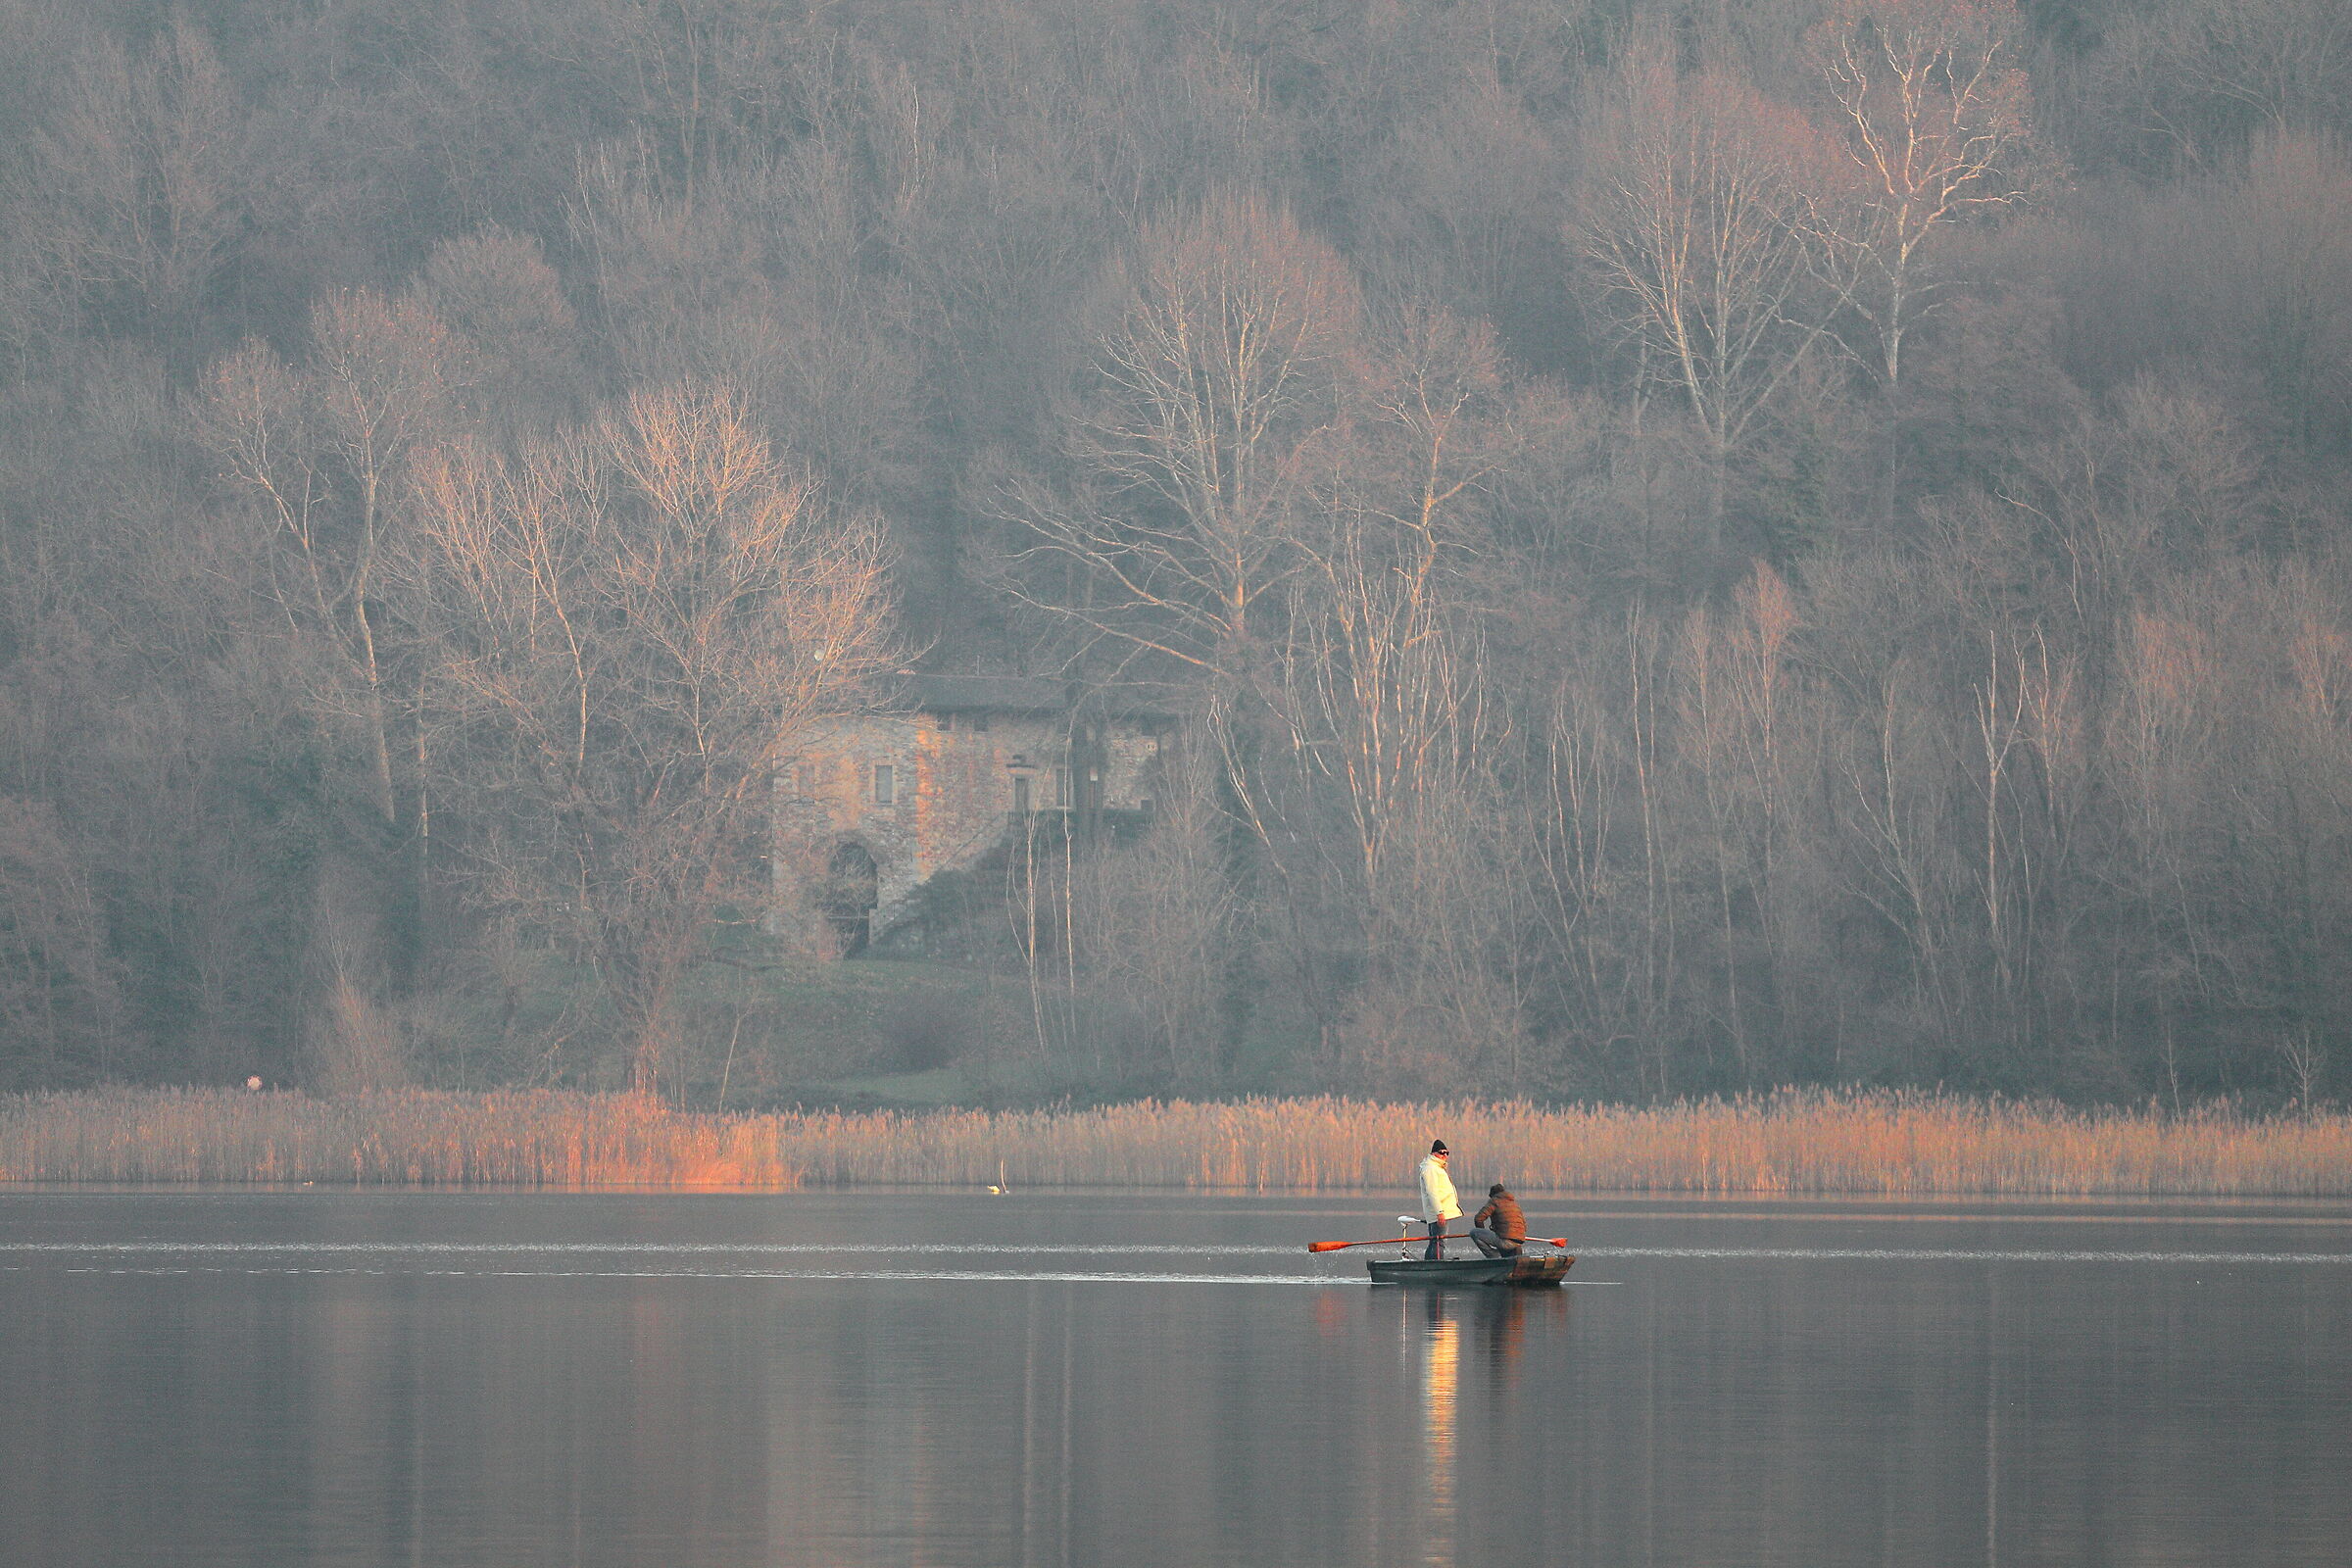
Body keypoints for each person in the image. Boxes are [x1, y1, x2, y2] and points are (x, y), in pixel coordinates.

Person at [1416, 1140, 1461, 1259]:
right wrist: (1439, 1212)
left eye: (1447, 1153)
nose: (1445, 1155)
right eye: (1442, 1152)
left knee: (1434, 1241)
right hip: (1439, 1212)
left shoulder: (1435, 1167)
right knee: (1439, 1241)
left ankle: (1429, 1264)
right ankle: (1436, 1265)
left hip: (1439, 1211)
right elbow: (1432, 1192)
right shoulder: (1431, 1168)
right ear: (1433, 1153)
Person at [1471, 1183, 1526, 1258]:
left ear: (1493, 1194)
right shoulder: (1514, 1204)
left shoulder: (1495, 1201)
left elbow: (1478, 1219)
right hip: (1519, 1242)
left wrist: (1483, 1233)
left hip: (1505, 1242)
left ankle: (1494, 1256)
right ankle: (1504, 1253)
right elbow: (1525, 1226)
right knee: (1502, 1238)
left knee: (1474, 1232)